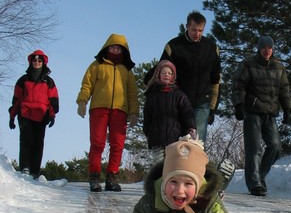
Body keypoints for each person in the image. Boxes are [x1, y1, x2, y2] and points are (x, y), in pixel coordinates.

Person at [144, 11, 221, 143]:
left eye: (200, 31)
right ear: (187, 26)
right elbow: (163, 70)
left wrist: (213, 107)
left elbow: (216, 80)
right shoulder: (174, 46)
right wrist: (152, 88)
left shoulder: (211, 48)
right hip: (178, 101)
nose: (197, 34)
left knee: (196, 142)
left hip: (202, 103)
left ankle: (195, 163)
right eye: (194, 30)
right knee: (177, 142)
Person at [76, 33, 139, 193]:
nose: (115, 49)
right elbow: (86, 85)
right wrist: (82, 101)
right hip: (99, 108)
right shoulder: (96, 65)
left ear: (124, 51)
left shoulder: (127, 71)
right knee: (97, 144)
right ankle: (95, 177)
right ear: (107, 47)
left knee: (117, 145)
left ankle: (112, 177)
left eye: (119, 48)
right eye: (113, 47)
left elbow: (132, 93)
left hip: (120, 110)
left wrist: (134, 112)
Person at [232, 35, 291, 197]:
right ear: (259, 48)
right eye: (264, 48)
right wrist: (239, 105)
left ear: (273, 49)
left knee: (275, 147)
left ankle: (260, 176)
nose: (267, 51)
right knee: (254, 149)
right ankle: (254, 184)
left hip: (270, 113)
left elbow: (284, 90)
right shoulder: (249, 64)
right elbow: (238, 85)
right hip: (253, 112)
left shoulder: (279, 67)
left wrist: (288, 109)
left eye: (269, 48)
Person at [8, 49, 59, 179]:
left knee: (38, 142)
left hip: (42, 115)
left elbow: (53, 101)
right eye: (34, 60)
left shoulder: (49, 82)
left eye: (39, 60)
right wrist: (12, 117)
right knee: (26, 140)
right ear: (31, 62)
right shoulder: (23, 80)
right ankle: (25, 167)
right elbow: (16, 100)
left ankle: (35, 170)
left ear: (43, 63)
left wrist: (52, 115)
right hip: (25, 114)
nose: (37, 62)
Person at [143, 60, 197, 165]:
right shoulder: (152, 96)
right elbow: (147, 116)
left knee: (174, 166)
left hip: (176, 139)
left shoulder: (179, 95)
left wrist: (191, 127)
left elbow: (187, 113)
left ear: (173, 76)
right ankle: (160, 181)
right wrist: (147, 131)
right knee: (159, 167)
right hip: (157, 139)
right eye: (163, 73)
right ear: (158, 75)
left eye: (169, 73)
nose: (166, 75)